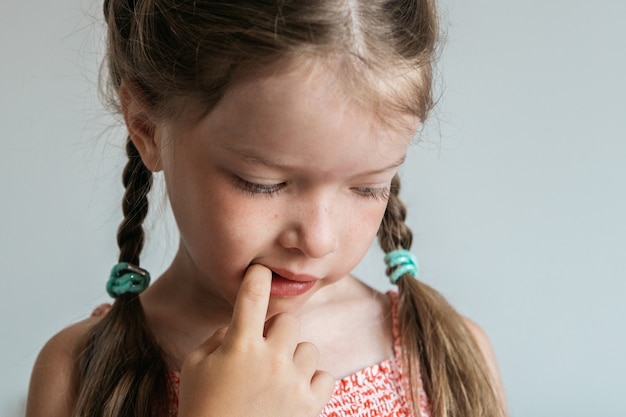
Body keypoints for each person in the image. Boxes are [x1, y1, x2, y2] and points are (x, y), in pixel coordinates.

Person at [26, 1, 507, 416]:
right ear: (147, 127)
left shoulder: (446, 361)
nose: (318, 239)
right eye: (264, 184)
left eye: (367, 187)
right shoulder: (78, 373)